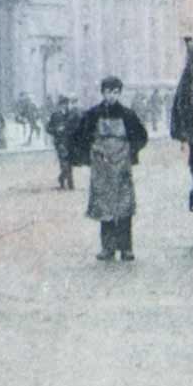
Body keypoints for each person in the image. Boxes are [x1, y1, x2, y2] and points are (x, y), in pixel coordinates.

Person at [67, 77, 149, 261]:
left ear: (119, 93)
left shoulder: (128, 115)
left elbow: (142, 136)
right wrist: (90, 153)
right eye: (108, 92)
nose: (111, 96)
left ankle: (126, 248)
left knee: (124, 207)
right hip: (101, 168)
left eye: (115, 92)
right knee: (105, 207)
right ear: (102, 93)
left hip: (122, 167)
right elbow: (79, 136)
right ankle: (107, 248)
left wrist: (130, 151)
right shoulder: (93, 114)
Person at [47, 97, 79, 191]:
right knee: (64, 163)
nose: (65, 106)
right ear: (59, 105)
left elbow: (76, 126)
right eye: (63, 104)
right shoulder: (55, 115)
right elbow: (48, 128)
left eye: (66, 104)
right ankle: (69, 183)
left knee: (69, 163)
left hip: (70, 142)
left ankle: (64, 180)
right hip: (60, 142)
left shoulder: (72, 115)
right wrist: (56, 130)